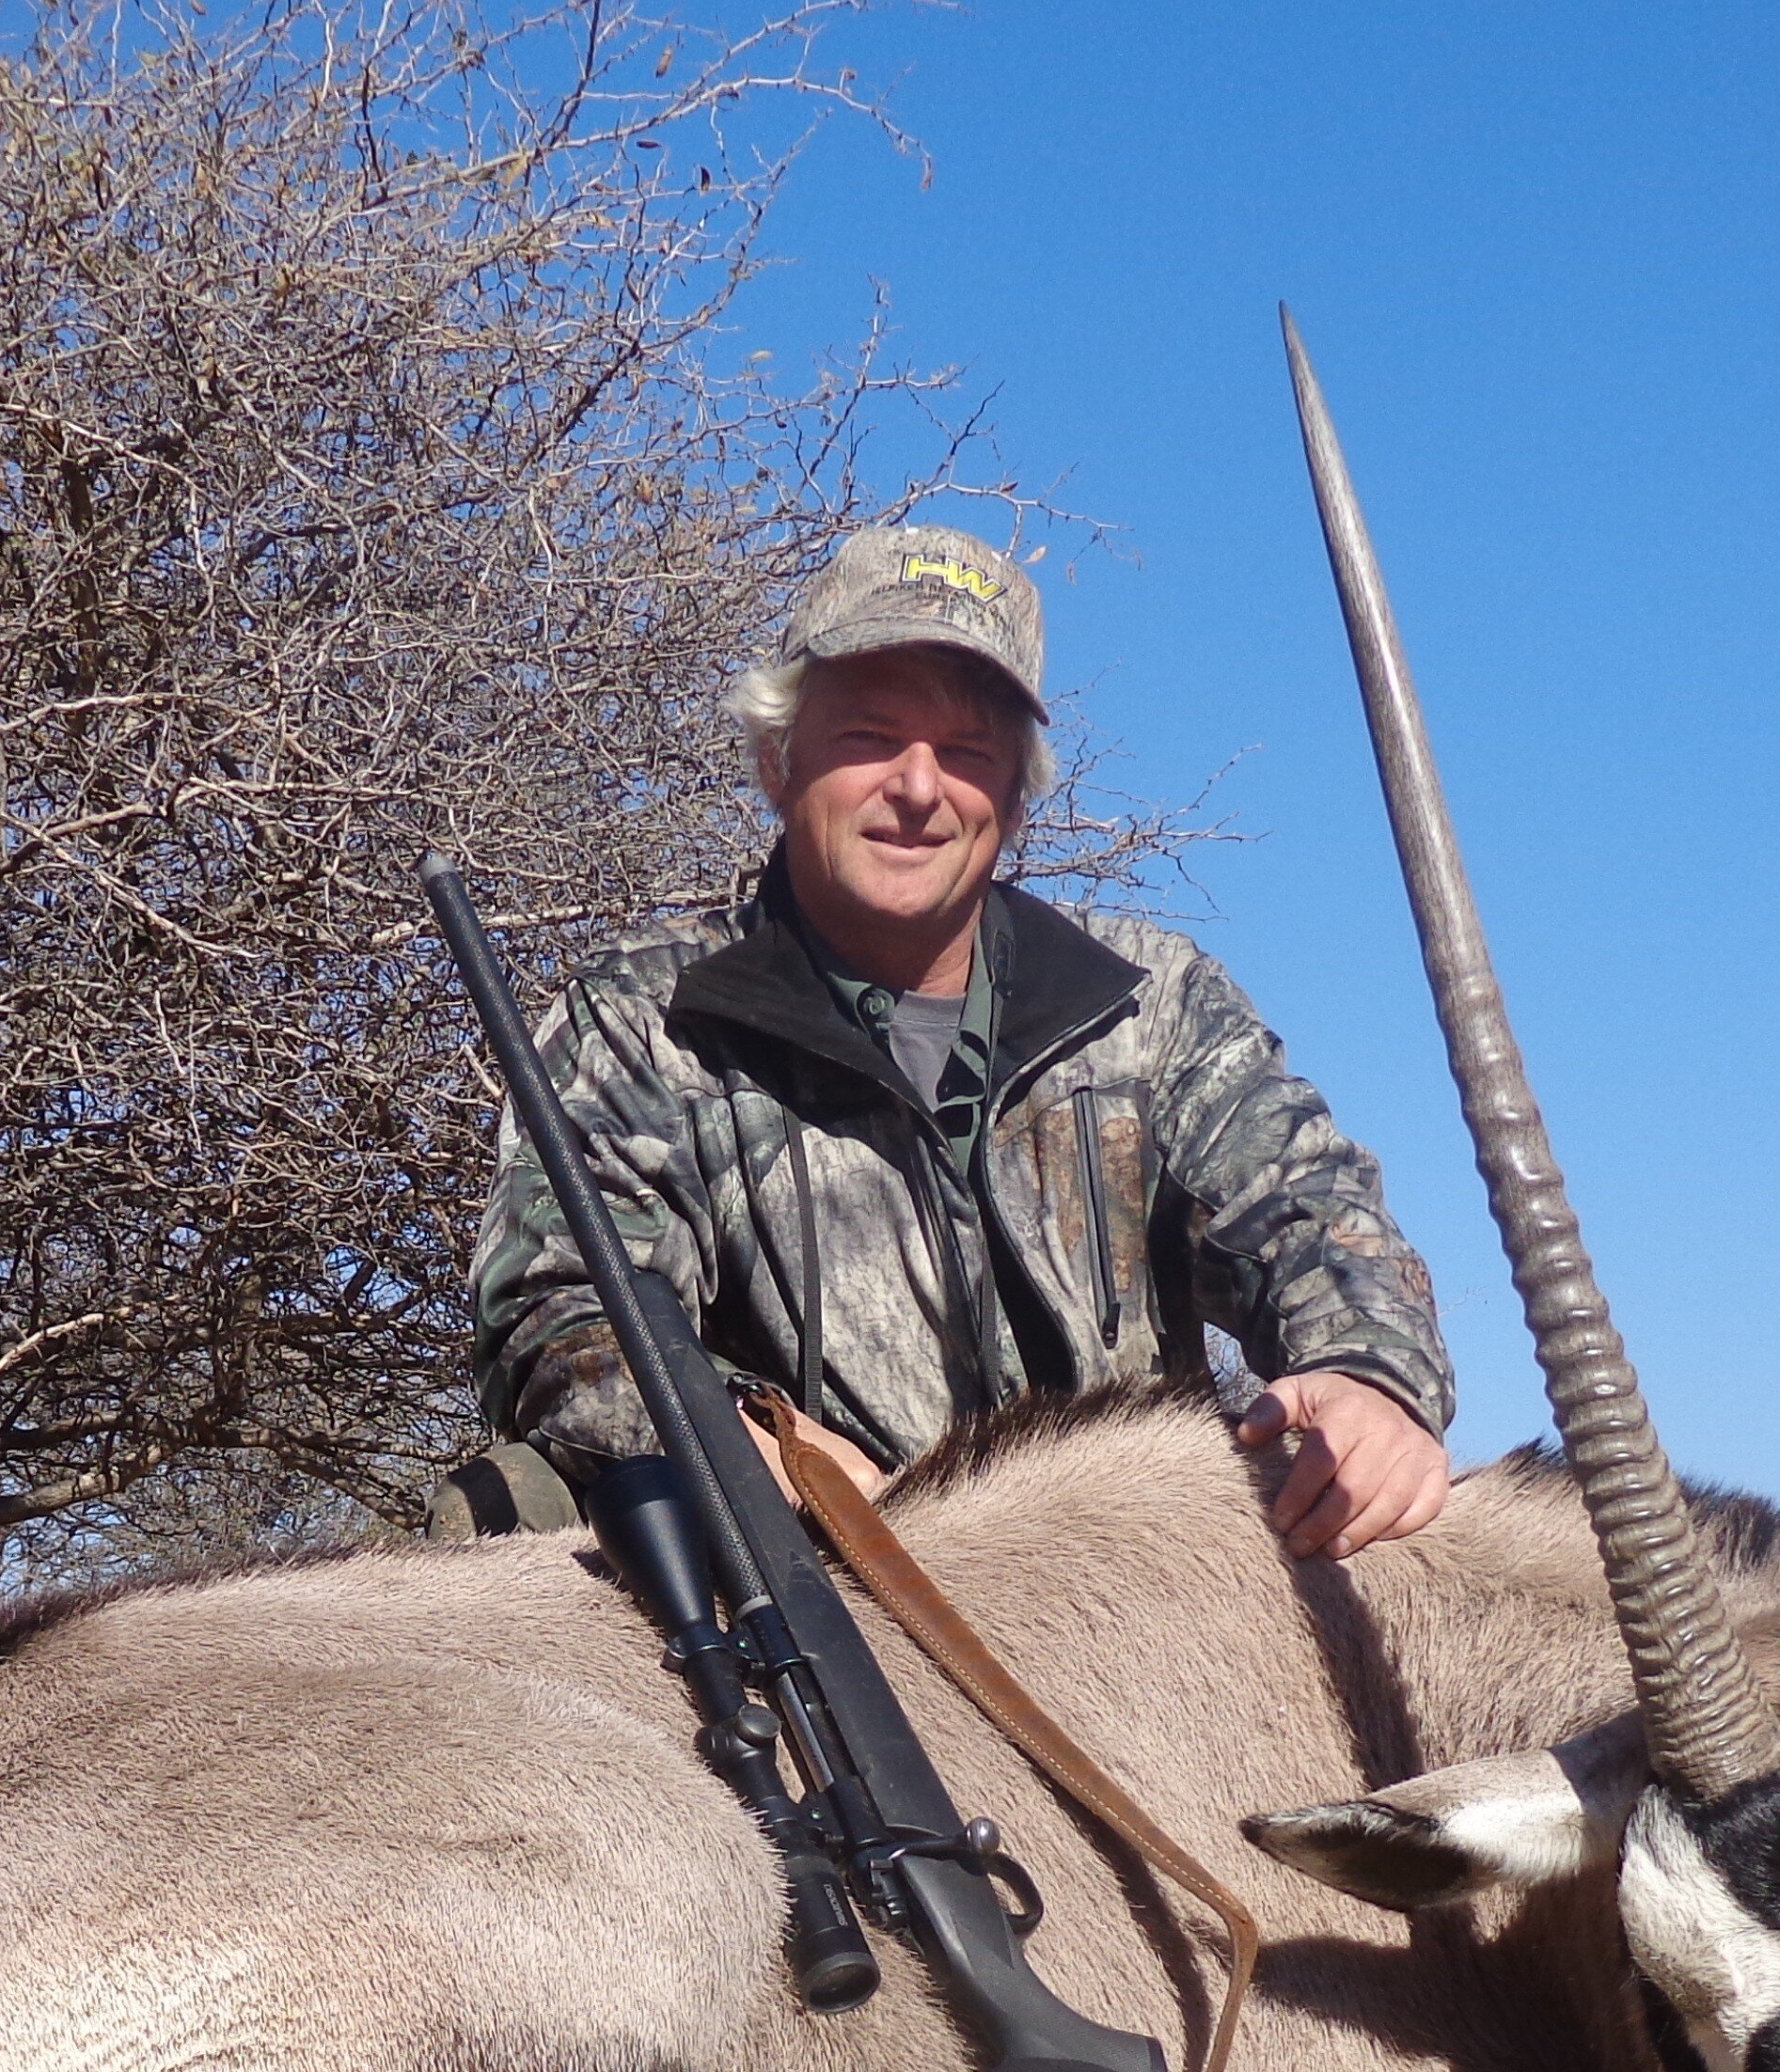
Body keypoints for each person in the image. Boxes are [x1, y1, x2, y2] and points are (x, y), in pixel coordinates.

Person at [440, 522, 1457, 1558]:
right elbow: (556, 1315)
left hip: (1138, 1598)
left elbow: (1311, 1212)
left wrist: (1367, 1373)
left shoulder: (1153, 1003)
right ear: (777, 761)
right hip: (819, 1581)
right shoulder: (647, 1019)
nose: (919, 790)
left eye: (967, 753)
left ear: (1014, 798)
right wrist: (758, 1442)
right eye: (871, 736)